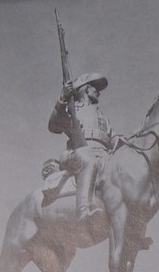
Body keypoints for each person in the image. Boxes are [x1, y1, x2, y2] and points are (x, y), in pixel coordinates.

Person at [46, 72, 114, 218]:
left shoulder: (102, 116)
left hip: (103, 155)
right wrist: (62, 99)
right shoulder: (73, 109)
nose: (98, 92)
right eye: (95, 88)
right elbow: (54, 126)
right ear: (86, 89)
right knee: (89, 159)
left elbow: (111, 138)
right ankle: (83, 211)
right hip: (78, 154)